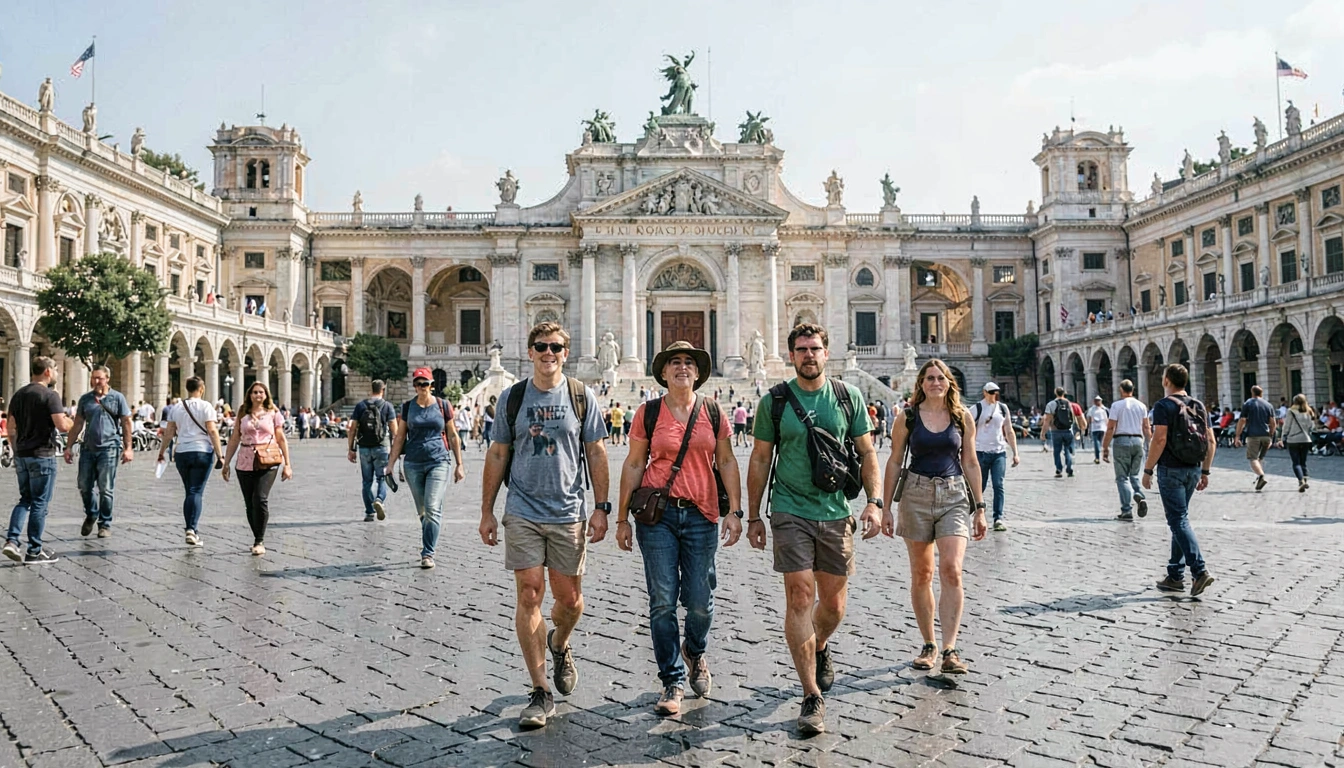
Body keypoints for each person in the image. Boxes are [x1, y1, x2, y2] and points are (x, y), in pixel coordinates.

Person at [745, 323, 880, 736]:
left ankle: (819, 645)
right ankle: (810, 695)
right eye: (801, 349)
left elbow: (867, 452)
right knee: (800, 594)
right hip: (789, 510)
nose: (808, 355)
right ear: (790, 356)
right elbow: (760, 458)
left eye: (815, 348)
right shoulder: (776, 401)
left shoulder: (847, 396)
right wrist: (753, 514)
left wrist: (874, 502)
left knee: (835, 605)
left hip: (835, 509)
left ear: (827, 353)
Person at [479, 322, 609, 729]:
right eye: (541, 346)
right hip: (523, 510)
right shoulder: (512, 398)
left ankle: (560, 642)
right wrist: (487, 509)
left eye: (555, 347)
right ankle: (540, 691)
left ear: (565, 353)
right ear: (531, 351)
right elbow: (498, 452)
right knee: (530, 593)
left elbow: (597, 451)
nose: (548, 353)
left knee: (569, 600)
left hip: (568, 511)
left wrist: (602, 507)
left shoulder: (581, 396)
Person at [616, 341, 744, 716]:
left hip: (702, 514)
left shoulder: (713, 411)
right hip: (658, 517)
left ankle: (695, 650)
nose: (682, 367)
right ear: (664, 371)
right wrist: (621, 517)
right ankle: (671, 679)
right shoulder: (648, 412)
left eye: (689, 362)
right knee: (662, 599)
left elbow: (727, 460)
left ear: (699, 371)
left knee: (700, 601)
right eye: (675, 362)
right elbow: (634, 464)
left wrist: (735, 511)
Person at [882, 360, 987, 682]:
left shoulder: (962, 416)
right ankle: (929, 643)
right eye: (929, 378)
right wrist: (884, 506)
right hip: (915, 493)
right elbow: (895, 460)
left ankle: (950, 648)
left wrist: (980, 506)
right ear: (921, 383)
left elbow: (970, 461)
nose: (935, 383)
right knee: (922, 573)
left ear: (949, 382)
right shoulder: (908, 417)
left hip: (954, 495)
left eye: (940, 378)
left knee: (952, 569)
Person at [1143, 364, 1216, 597]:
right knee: (1180, 518)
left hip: (1171, 469)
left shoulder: (1163, 406)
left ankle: (1199, 570)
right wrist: (1205, 471)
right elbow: (1211, 441)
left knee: (1178, 520)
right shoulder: (1199, 405)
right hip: (1193, 468)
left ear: (1166, 380)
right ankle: (1174, 575)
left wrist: (1147, 469)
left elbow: (1159, 438)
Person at [387, 367, 466, 568]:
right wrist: (390, 464)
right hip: (413, 463)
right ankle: (430, 535)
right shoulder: (407, 407)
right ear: (414, 385)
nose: (421, 387)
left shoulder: (443, 405)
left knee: (431, 507)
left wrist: (459, 464)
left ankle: (427, 553)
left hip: (438, 461)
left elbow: (453, 435)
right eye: (418, 384)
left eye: (425, 383)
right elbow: (399, 437)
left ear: (431, 385)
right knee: (423, 511)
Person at [3, 357, 73, 564]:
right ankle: (34, 550)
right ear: (48, 372)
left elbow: (11, 427)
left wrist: (16, 449)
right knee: (40, 503)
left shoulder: (18, 395)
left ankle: (12, 541)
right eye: (56, 369)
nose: (57, 373)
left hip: (23, 455)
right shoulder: (50, 395)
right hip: (42, 455)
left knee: (25, 499)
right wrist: (71, 421)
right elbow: (61, 425)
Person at [221, 381, 292, 556]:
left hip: (269, 459)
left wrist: (288, 464)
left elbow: (281, 438)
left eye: (261, 392)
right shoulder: (242, 412)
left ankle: (259, 540)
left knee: (260, 499)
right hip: (245, 459)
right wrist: (226, 462)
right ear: (249, 395)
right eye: (254, 392)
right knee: (249, 503)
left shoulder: (273, 413)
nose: (258, 395)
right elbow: (235, 438)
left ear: (266, 395)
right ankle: (256, 536)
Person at [65, 365, 134, 539]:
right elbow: (78, 424)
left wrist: (128, 448)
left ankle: (105, 524)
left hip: (109, 448)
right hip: (88, 448)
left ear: (107, 379)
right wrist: (68, 447)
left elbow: (126, 423)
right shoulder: (85, 399)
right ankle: (91, 513)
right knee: (83, 485)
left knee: (106, 488)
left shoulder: (117, 398)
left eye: (99, 378)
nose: (96, 381)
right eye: (93, 377)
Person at [158, 377, 224, 548]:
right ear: (201, 388)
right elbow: (212, 430)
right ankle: (191, 529)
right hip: (202, 451)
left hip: (182, 452)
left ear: (187, 388)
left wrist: (162, 451)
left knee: (189, 491)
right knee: (196, 491)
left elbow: (169, 432)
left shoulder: (176, 407)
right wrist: (220, 454)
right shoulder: (206, 406)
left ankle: (191, 529)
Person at [1101, 380, 1152, 521]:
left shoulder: (1116, 405)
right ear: (1133, 389)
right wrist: (1150, 444)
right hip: (1137, 440)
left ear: (1121, 390)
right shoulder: (1142, 406)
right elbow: (1147, 428)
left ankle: (1126, 511)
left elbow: (1111, 428)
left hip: (1121, 441)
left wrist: (1105, 447)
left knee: (1122, 477)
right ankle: (1139, 495)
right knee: (1134, 475)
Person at [971, 382, 1018, 532]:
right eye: (991, 392)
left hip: (999, 451)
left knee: (999, 485)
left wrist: (1015, 452)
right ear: (984, 392)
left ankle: (998, 517)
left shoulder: (1003, 408)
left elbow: (1009, 430)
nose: (993, 395)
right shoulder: (976, 408)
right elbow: (967, 430)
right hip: (980, 451)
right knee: (980, 486)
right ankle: (976, 513)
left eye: (996, 392)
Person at [348, 380, 397, 522]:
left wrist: (351, 449)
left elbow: (352, 429)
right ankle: (379, 500)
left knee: (366, 481)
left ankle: (369, 512)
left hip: (364, 447)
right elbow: (395, 431)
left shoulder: (360, 406)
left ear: (372, 389)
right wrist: (396, 451)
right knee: (381, 477)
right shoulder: (387, 406)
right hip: (382, 446)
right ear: (383, 389)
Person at [1232, 385, 1277, 492]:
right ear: (1261, 393)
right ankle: (1259, 481)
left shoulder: (1248, 404)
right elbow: (1273, 422)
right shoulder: (1268, 405)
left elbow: (1242, 420)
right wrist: (1271, 436)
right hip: (1266, 435)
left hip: (1253, 435)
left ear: (1252, 393)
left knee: (1253, 459)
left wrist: (1237, 436)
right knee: (1260, 458)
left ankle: (1261, 475)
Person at [1277, 394, 1316, 492]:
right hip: (1305, 439)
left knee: (1296, 462)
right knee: (1303, 462)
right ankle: (1305, 479)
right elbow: (1312, 426)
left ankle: (1301, 481)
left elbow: (1287, 426)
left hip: (1293, 439)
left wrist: (1282, 437)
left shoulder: (1291, 411)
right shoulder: (1309, 411)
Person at [1042, 388, 1084, 478]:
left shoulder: (1051, 404)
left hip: (1055, 431)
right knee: (1068, 450)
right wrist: (1083, 428)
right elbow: (1081, 419)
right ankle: (1069, 468)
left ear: (1055, 393)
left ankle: (1059, 470)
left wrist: (1043, 433)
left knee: (1057, 451)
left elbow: (1047, 420)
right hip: (1068, 430)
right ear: (1064, 393)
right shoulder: (1072, 405)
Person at [1086, 395, 1109, 464]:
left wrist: (1087, 426)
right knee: (1102, 443)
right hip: (1102, 428)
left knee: (1096, 443)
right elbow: (1107, 419)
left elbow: (1089, 419)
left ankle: (1097, 457)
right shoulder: (1104, 409)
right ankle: (1104, 456)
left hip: (1095, 428)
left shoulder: (1091, 409)